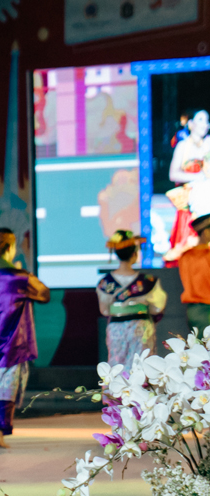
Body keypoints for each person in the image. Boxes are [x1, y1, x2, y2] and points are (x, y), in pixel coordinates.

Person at [0, 229, 50, 449]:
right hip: (12, 340)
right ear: (11, 248)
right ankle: (0, 430)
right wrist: (21, 273)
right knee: (8, 384)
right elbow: (44, 294)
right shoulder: (20, 278)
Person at [96, 230, 165, 368]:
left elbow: (104, 310)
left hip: (116, 327)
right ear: (134, 254)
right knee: (142, 366)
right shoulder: (148, 281)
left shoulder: (105, 283)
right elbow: (157, 308)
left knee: (117, 365)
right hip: (141, 326)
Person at [165, 110, 210, 261]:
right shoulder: (183, 146)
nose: (205, 124)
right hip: (190, 205)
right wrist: (197, 177)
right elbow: (173, 174)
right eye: (201, 120)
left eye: (207, 121)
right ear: (191, 124)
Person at [178, 213, 210, 335]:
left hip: (194, 310)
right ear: (206, 232)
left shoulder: (185, 256)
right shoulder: (206, 255)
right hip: (206, 308)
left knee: (200, 348)